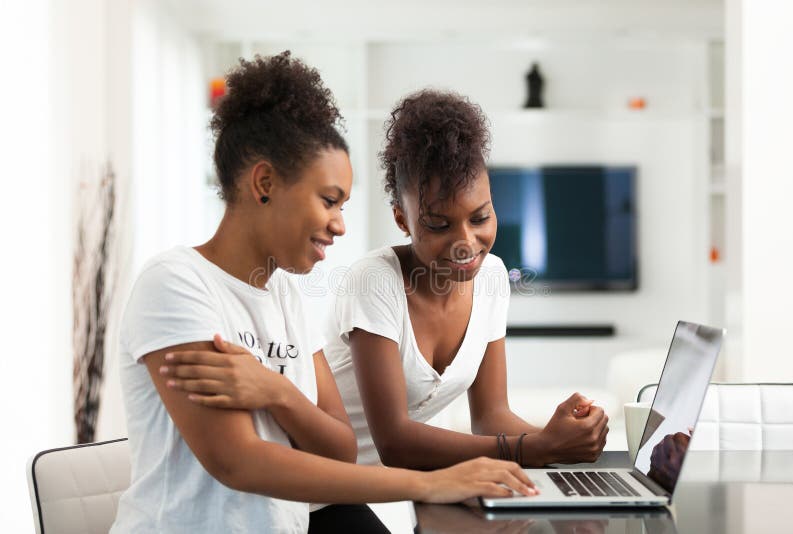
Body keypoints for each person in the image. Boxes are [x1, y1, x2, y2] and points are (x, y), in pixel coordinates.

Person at [110, 53, 536, 534]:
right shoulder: (176, 283)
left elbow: (340, 447)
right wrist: (428, 485)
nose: (339, 224)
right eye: (329, 200)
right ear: (265, 183)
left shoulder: (285, 295)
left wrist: (277, 392)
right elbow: (238, 463)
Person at [319, 89, 609, 469]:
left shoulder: (492, 277)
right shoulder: (374, 282)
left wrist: (559, 443)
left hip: (400, 488)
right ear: (402, 220)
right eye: (439, 224)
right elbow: (395, 441)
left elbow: (490, 417)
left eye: (480, 218)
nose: (466, 243)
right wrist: (537, 449)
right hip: (323, 489)